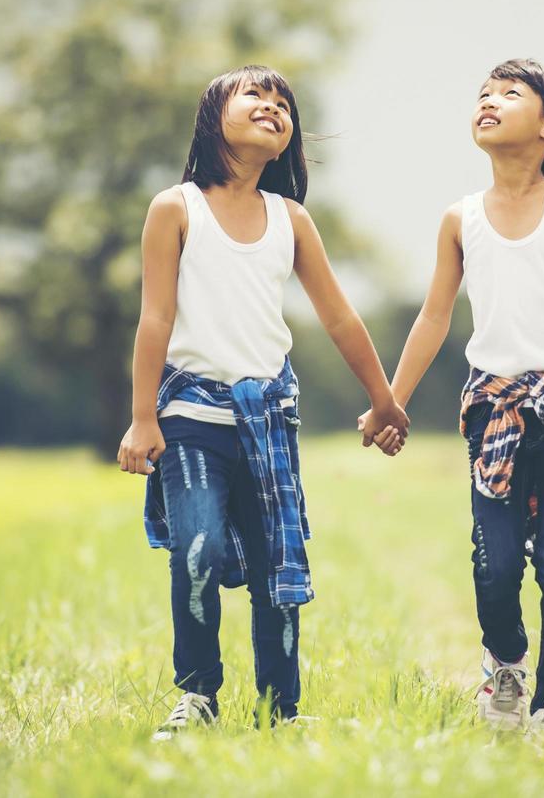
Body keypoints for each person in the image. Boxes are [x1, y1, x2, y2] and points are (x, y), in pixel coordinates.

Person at [120, 65, 408, 736]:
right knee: (197, 549)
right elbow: (155, 320)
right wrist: (141, 418)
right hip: (189, 417)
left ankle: (283, 709)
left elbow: (339, 318)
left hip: (268, 419)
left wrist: (383, 400)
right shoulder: (175, 207)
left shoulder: (291, 219)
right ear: (210, 116)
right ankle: (196, 695)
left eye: (283, 103)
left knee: (275, 564)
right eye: (254, 95)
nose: (272, 107)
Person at [364, 58, 544, 736]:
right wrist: (390, 400)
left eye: (509, 94)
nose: (488, 101)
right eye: (483, 94)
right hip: (494, 412)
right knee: (494, 566)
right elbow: (433, 316)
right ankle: (506, 665)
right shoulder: (460, 218)